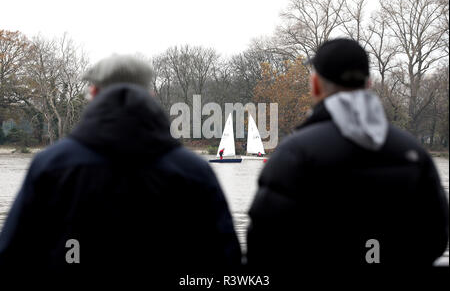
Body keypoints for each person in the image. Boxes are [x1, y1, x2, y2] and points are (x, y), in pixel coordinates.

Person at [0, 55, 241, 281]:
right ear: (151, 94)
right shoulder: (193, 171)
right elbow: (225, 263)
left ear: (93, 92)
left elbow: (13, 256)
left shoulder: (51, 166)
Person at [247, 39, 449, 274]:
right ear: (368, 84)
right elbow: (435, 239)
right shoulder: (413, 152)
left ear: (315, 86)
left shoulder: (294, 152)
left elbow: (263, 247)